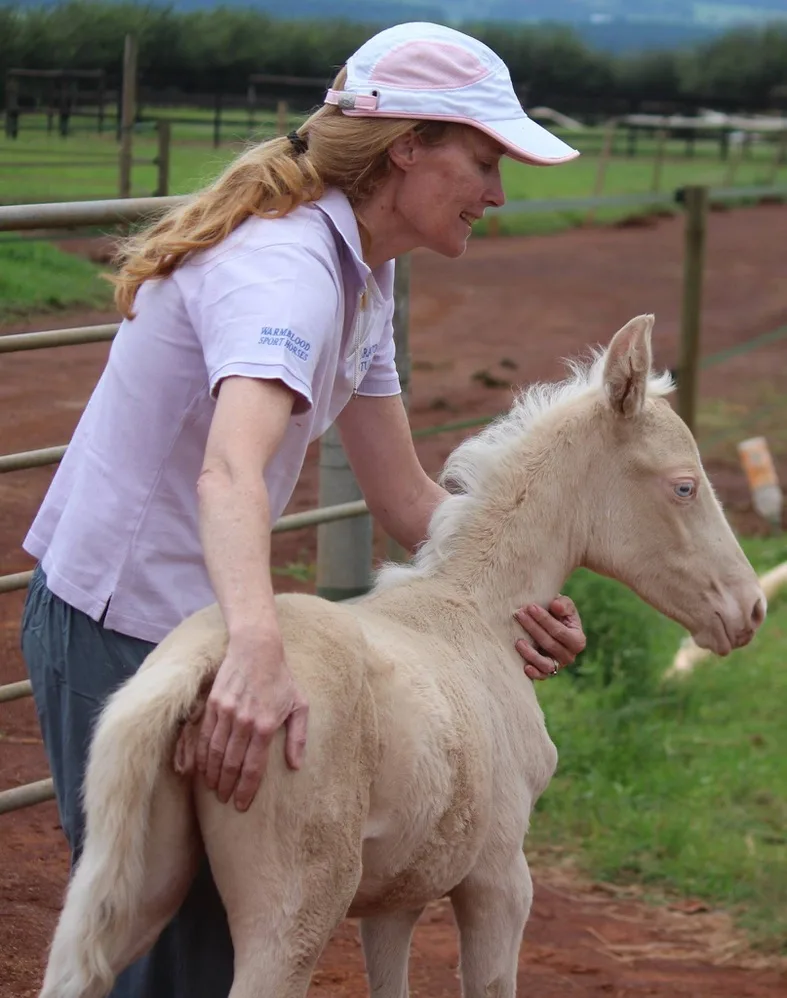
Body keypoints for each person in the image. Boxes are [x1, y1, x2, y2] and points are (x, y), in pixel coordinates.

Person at [21, 20, 586, 998]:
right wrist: (256, 648)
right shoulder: (283, 268)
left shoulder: (365, 270)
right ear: (405, 144)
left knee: (200, 946)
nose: (497, 193)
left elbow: (407, 497)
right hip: (124, 622)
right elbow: (231, 472)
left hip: (197, 620)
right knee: (172, 955)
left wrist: (510, 598)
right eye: (484, 159)